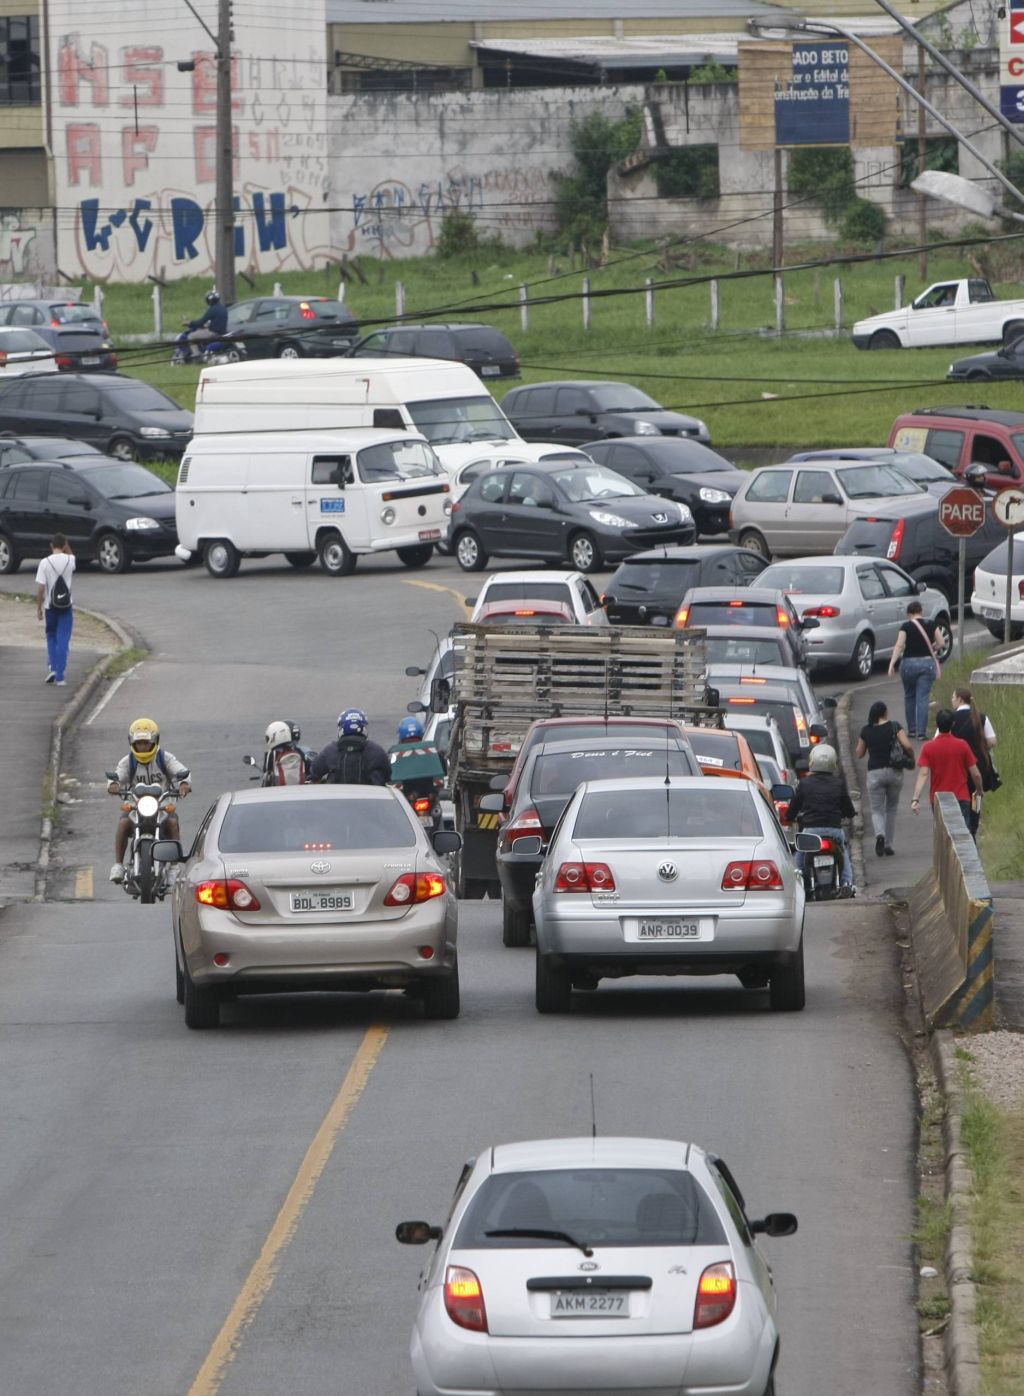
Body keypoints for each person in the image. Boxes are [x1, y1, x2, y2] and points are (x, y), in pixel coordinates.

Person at [108, 718, 191, 881]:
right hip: (135, 805)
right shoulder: (127, 762)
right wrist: (114, 785)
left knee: (172, 823)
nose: (142, 747)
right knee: (123, 823)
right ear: (132, 742)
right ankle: (118, 865)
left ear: (155, 741)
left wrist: (184, 783)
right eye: (139, 743)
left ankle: (174, 867)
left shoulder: (165, 758)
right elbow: (118, 775)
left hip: (162, 805)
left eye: (146, 743)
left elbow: (181, 771)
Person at [785, 743, 857, 896]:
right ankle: (847, 883)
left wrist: (789, 817)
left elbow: (793, 807)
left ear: (812, 761)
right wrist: (850, 814)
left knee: (799, 859)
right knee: (844, 853)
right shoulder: (839, 783)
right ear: (833, 763)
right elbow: (848, 808)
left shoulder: (804, 783)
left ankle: (797, 885)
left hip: (811, 831)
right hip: (834, 830)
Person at [855, 699, 915, 857]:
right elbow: (908, 746)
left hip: (874, 773)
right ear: (885, 713)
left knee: (877, 810)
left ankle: (879, 835)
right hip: (894, 771)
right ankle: (888, 844)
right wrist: (911, 757)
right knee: (891, 809)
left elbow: (859, 753)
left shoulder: (866, 730)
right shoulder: (895, 726)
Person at [910, 708, 983, 836]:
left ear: (937, 725)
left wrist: (915, 799)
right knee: (962, 835)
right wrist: (979, 790)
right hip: (960, 797)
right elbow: (975, 774)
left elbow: (923, 774)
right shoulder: (962, 745)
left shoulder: (928, 747)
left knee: (943, 835)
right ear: (953, 724)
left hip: (939, 799)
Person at [888, 599, 941, 739]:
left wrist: (892, 663)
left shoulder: (906, 626)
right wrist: (932, 648)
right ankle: (921, 733)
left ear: (909, 614)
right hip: (927, 664)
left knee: (909, 696)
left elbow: (899, 645)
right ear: (921, 611)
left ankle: (911, 730)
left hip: (908, 665)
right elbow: (941, 642)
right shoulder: (931, 624)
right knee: (923, 698)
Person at [949, 685, 998, 837]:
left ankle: (964, 825)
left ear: (959, 699)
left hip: (958, 766)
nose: (952, 700)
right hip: (979, 764)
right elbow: (992, 741)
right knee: (976, 794)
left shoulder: (950, 719)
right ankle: (974, 822)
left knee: (960, 796)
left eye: (953, 697)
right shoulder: (981, 717)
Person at [311, 708, 390, 786]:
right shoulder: (376, 750)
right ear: (363, 728)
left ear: (341, 728)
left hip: (337, 793)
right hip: (370, 793)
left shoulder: (331, 750)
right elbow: (388, 774)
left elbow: (315, 771)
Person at [35, 532, 75, 686]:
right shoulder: (70, 560)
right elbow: (71, 556)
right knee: (63, 638)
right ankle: (60, 676)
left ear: (51, 545)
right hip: (66, 605)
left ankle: (52, 667)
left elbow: (41, 588)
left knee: (51, 636)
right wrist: (67, 547)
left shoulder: (44, 563)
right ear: (64, 545)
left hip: (50, 606)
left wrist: (39, 608)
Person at [387, 716, 446, 809]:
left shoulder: (394, 753)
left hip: (409, 799)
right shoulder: (431, 750)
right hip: (428, 796)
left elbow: (386, 772)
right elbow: (444, 768)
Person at [173, 289, 228, 363]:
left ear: (209, 300)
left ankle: (197, 356)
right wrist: (207, 325)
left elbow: (200, 322)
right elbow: (217, 321)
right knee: (200, 333)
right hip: (221, 332)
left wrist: (189, 323)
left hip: (212, 333)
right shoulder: (223, 308)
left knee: (191, 336)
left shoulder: (212, 309)